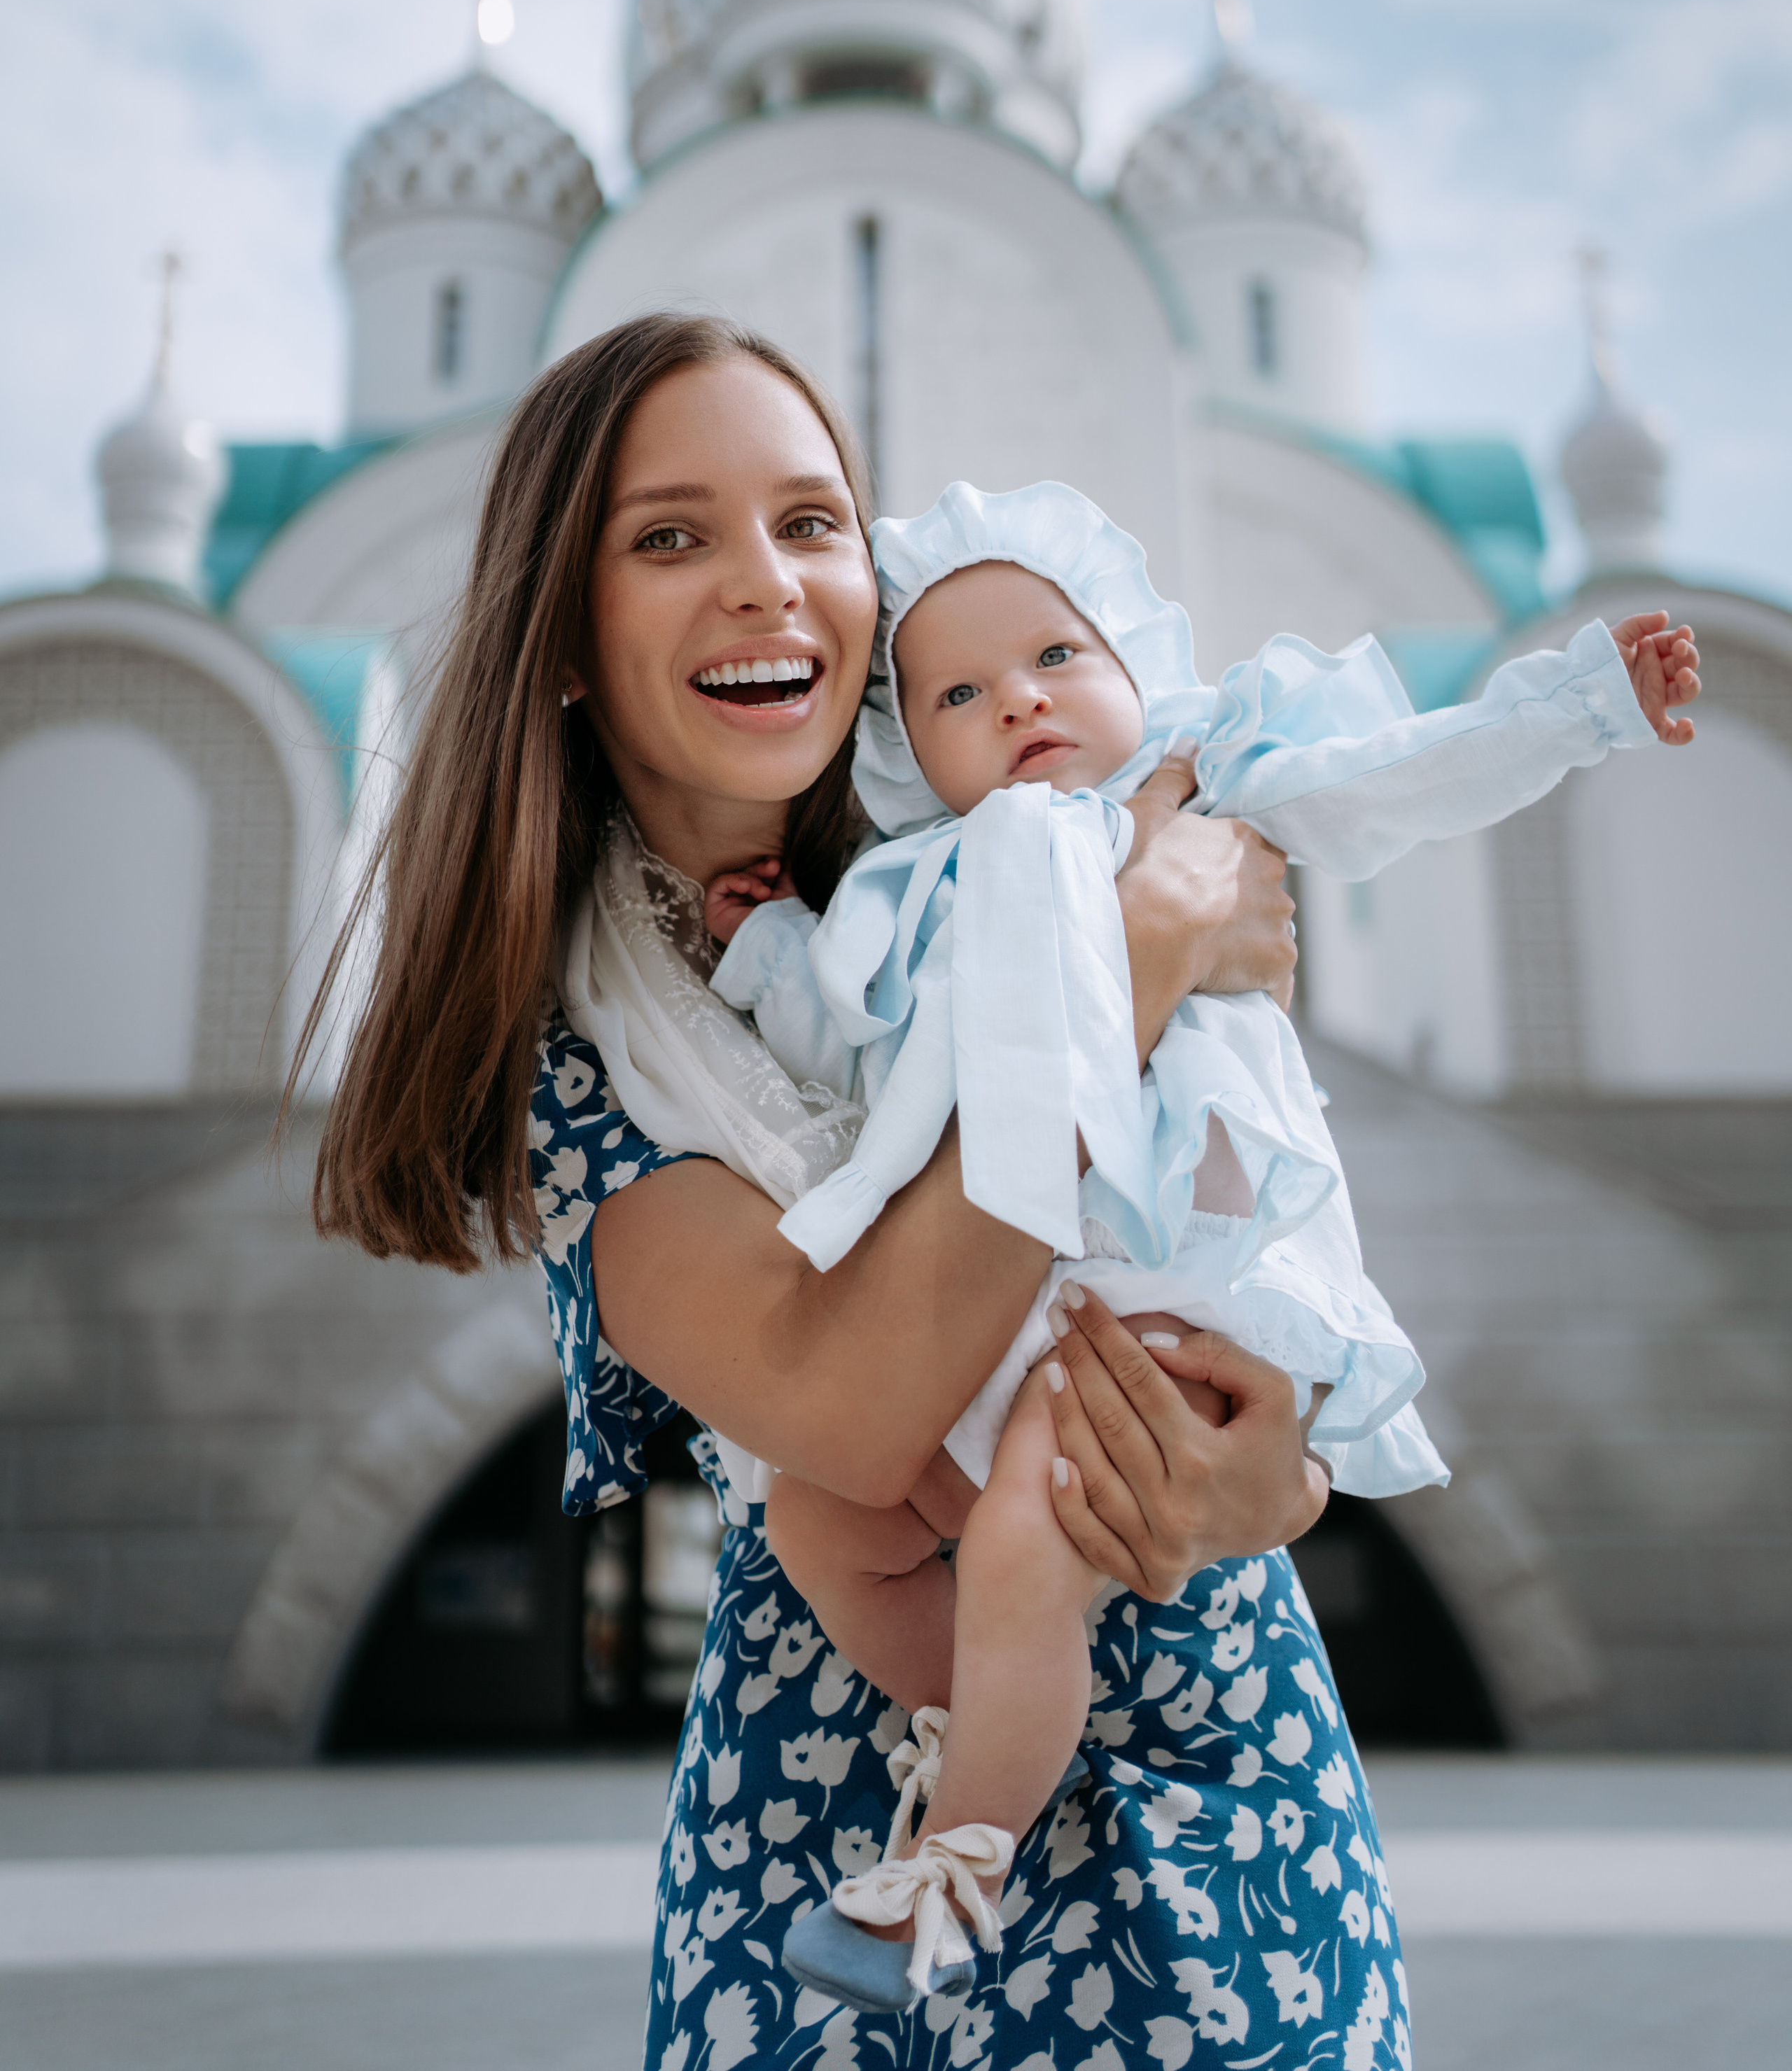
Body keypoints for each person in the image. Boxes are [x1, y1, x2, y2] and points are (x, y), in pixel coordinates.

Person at [302, 312, 1416, 2067]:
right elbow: (853, 1399)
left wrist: (1279, 1471)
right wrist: (1127, 955)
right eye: (670, 535)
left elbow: (1234, 1232)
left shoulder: (986, 821)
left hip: (1220, 1803)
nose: (767, 584)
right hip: (832, 1853)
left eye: (813, 524)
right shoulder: (591, 1051)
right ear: (568, 638)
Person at [694, 478, 1699, 2005]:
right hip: (983, 1295)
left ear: (1131, 659)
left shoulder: (1206, 789)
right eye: (956, 691)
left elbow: (1393, 773)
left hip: (1160, 1285)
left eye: (1053, 652)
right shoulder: (920, 885)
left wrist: (1577, 706)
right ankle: (998, 1699)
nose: (1017, 696)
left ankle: (953, 1865)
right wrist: (764, 941)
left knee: (1033, 1521)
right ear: (910, 756)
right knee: (821, 1521)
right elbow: (847, 1037)